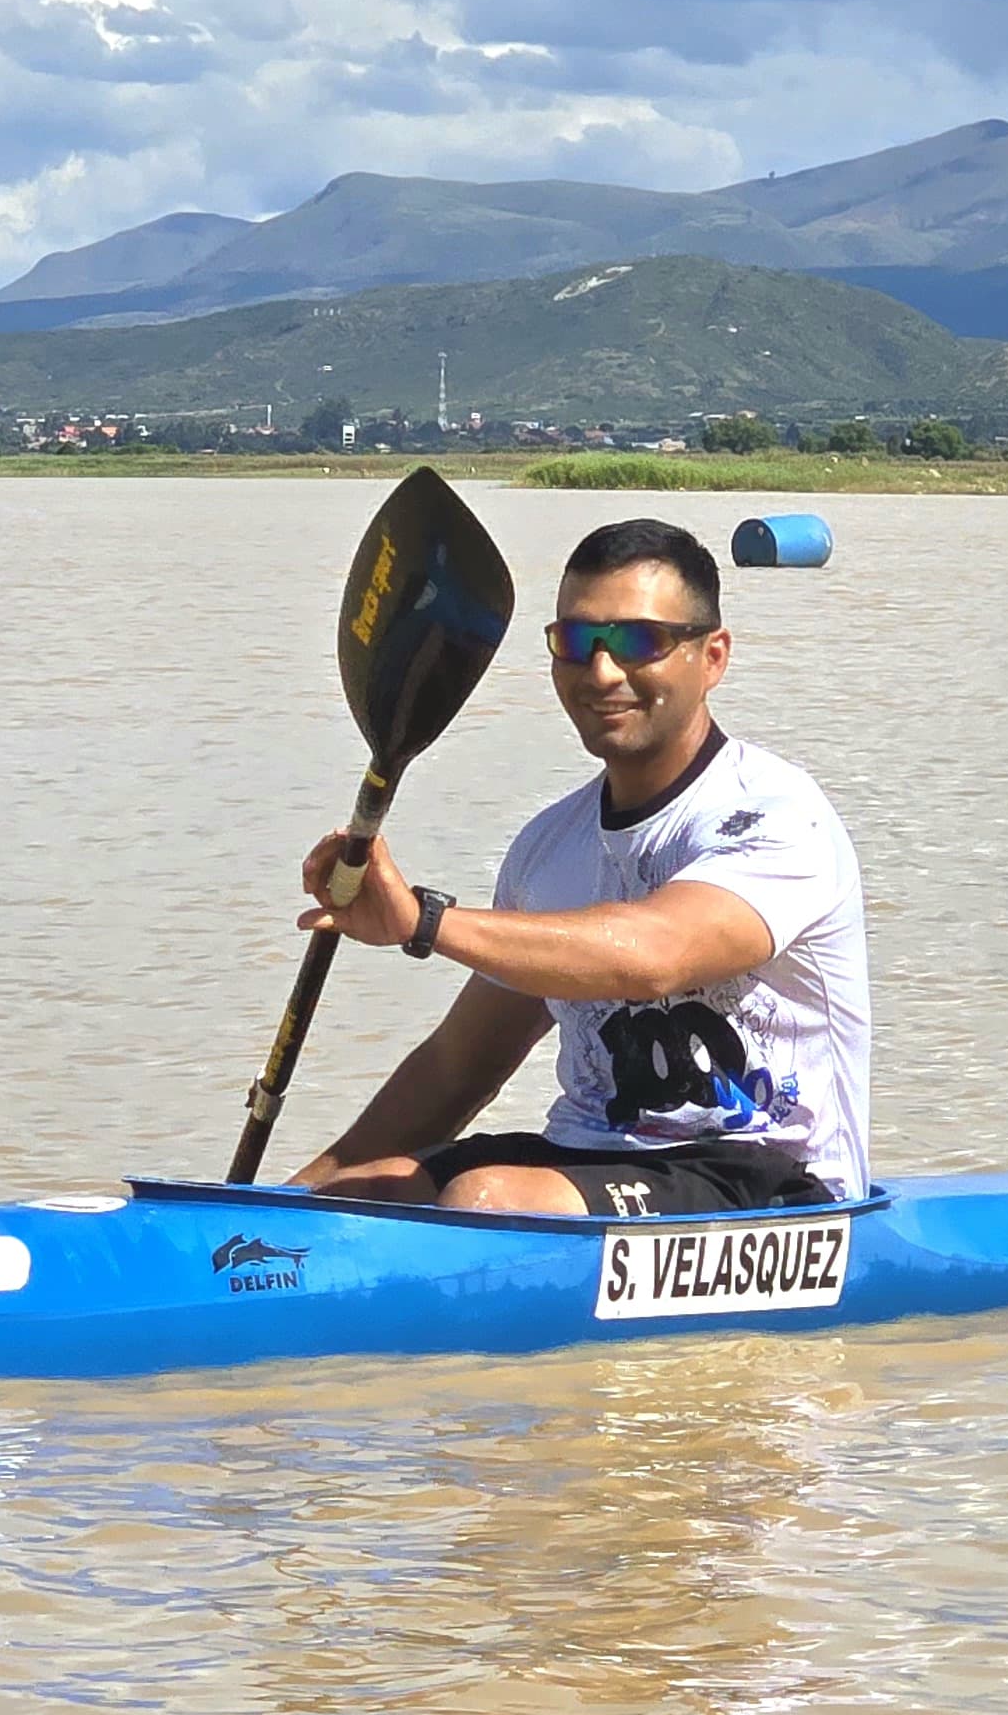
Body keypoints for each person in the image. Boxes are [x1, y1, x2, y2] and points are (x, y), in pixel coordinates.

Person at [291, 516, 872, 1217]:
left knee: (487, 1198)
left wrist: (424, 922)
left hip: (771, 1178)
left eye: (638, 642)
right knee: (366, 1189)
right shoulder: (548, 846)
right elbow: (459, 1066)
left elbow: (655, 954)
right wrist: (273, 1206)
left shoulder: (778, 817)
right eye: (575, 642)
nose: (601, 672)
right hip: (592, 1160)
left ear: (712, 656)